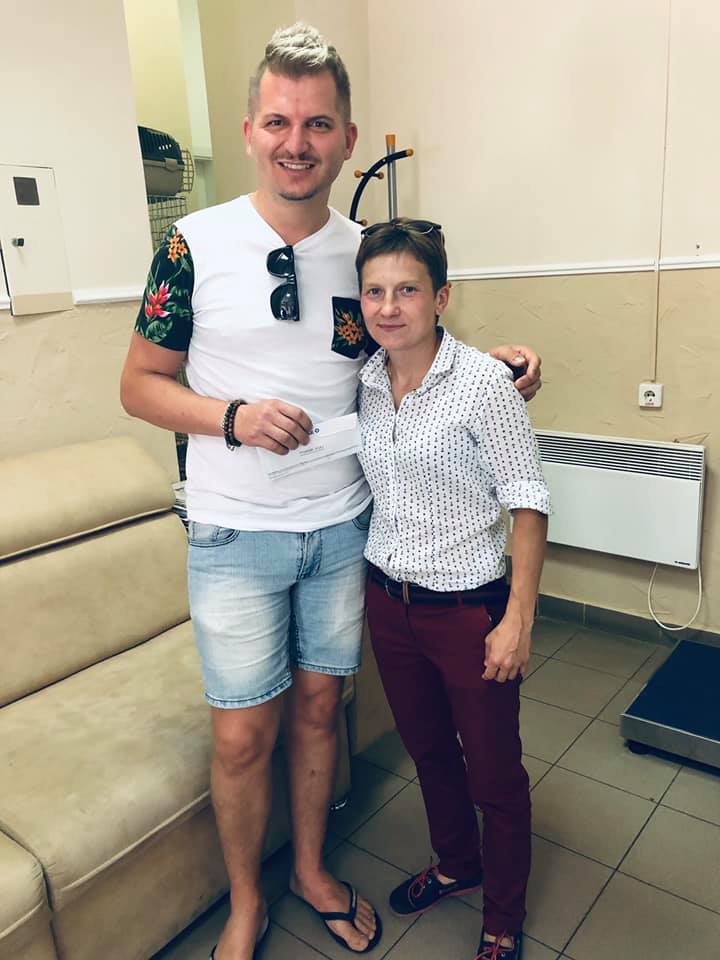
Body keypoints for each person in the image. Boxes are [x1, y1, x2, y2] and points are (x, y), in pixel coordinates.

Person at [120, 23, 543, 960]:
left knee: (321, 713)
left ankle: (312, 871)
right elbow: (139, 385)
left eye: (317, 124)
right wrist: (231, 417)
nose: (296, 142)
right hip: (234, 534)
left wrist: (496, 367)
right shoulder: (191, 244)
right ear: (249, 131)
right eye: (278, 121)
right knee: (242, 739)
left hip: (346, 531)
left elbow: (411, 342)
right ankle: (245, 906)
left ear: (348, 139)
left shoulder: (364, 256)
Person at [355, 218, 550, 960]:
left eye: (407, 290)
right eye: (374, 291)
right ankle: (456, 865)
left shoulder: (483, 384)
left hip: (469, 610)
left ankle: (503, 915)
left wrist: (519, 619)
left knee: (494, 773)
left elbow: (528, 501)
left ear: (441, 298)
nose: (388, 307)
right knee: (430, 752)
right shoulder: (366, 382)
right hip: (389, 601)